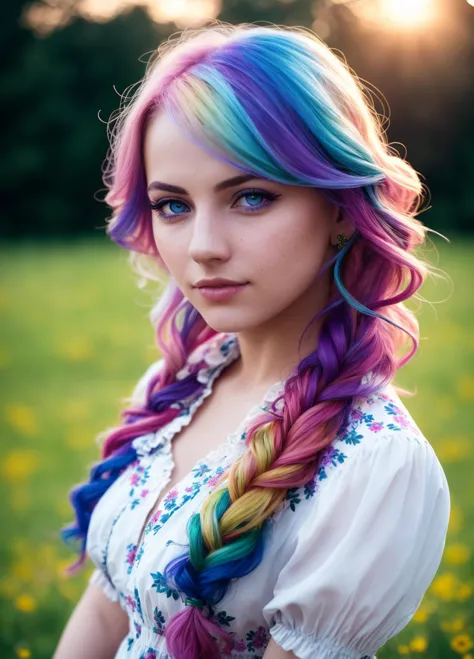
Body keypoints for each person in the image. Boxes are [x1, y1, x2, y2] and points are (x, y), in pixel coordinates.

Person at [54, 22, 450, 659]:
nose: (204, 247)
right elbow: (106, 616)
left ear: (343, 211)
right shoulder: (176, 387)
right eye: (174, 205)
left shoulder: (376, 465)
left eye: (252, 197)